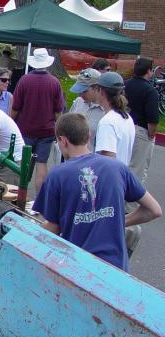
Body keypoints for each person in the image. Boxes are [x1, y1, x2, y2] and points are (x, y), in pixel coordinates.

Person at [33, 113, 161, 271]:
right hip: (116, 267)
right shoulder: (117, 167)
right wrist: (118, 221)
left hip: (80, 267)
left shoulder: (58, 175)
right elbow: (154, 210)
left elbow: (53, 228)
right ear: (88, 137)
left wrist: (31, 237)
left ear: (63, 140)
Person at [11, 48, 64, 190]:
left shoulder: (24, 80)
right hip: (46, 131)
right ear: (47, 63)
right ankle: (39, 199)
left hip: (26, 129)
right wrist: (59, 131)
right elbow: (58, 111)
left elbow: (16, 107)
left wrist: (10, 123)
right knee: (41, 164)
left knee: (24, 164)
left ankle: (20, 194)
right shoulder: (54, 82)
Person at [124, 57, 159, 185]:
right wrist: (151, 134)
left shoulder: (125, 84)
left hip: (124, 125)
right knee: (137, 170)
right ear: (149, 71)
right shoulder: (150, 91)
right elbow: (152, 117)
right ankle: (130, 204)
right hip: (140, 130)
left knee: (123, 163)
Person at [94, 72, 135, 166]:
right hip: (121, 174)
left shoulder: (107, 122)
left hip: (110, 177)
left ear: (101, 91)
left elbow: (108, 158)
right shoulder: (127, 117)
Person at [69, 68, 104, 150]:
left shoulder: (106, 111)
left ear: (96, 88)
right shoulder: (78, 102)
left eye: (84, 91)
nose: (80, 94)